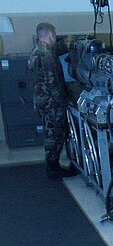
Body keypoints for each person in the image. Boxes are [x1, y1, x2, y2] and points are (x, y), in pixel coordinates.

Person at [28, 22, 76, 179]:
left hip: (42, 100)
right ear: (50, 35)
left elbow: (55, 49)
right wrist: (66, 100)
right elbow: (53, 82)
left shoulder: (39, 50)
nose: (55, 38)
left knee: (51, 132)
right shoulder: (46, 56)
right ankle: (53, 167)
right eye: (54, 35)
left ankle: (52, 165)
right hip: (51, 102)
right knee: (54, 134)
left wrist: (66, 43)